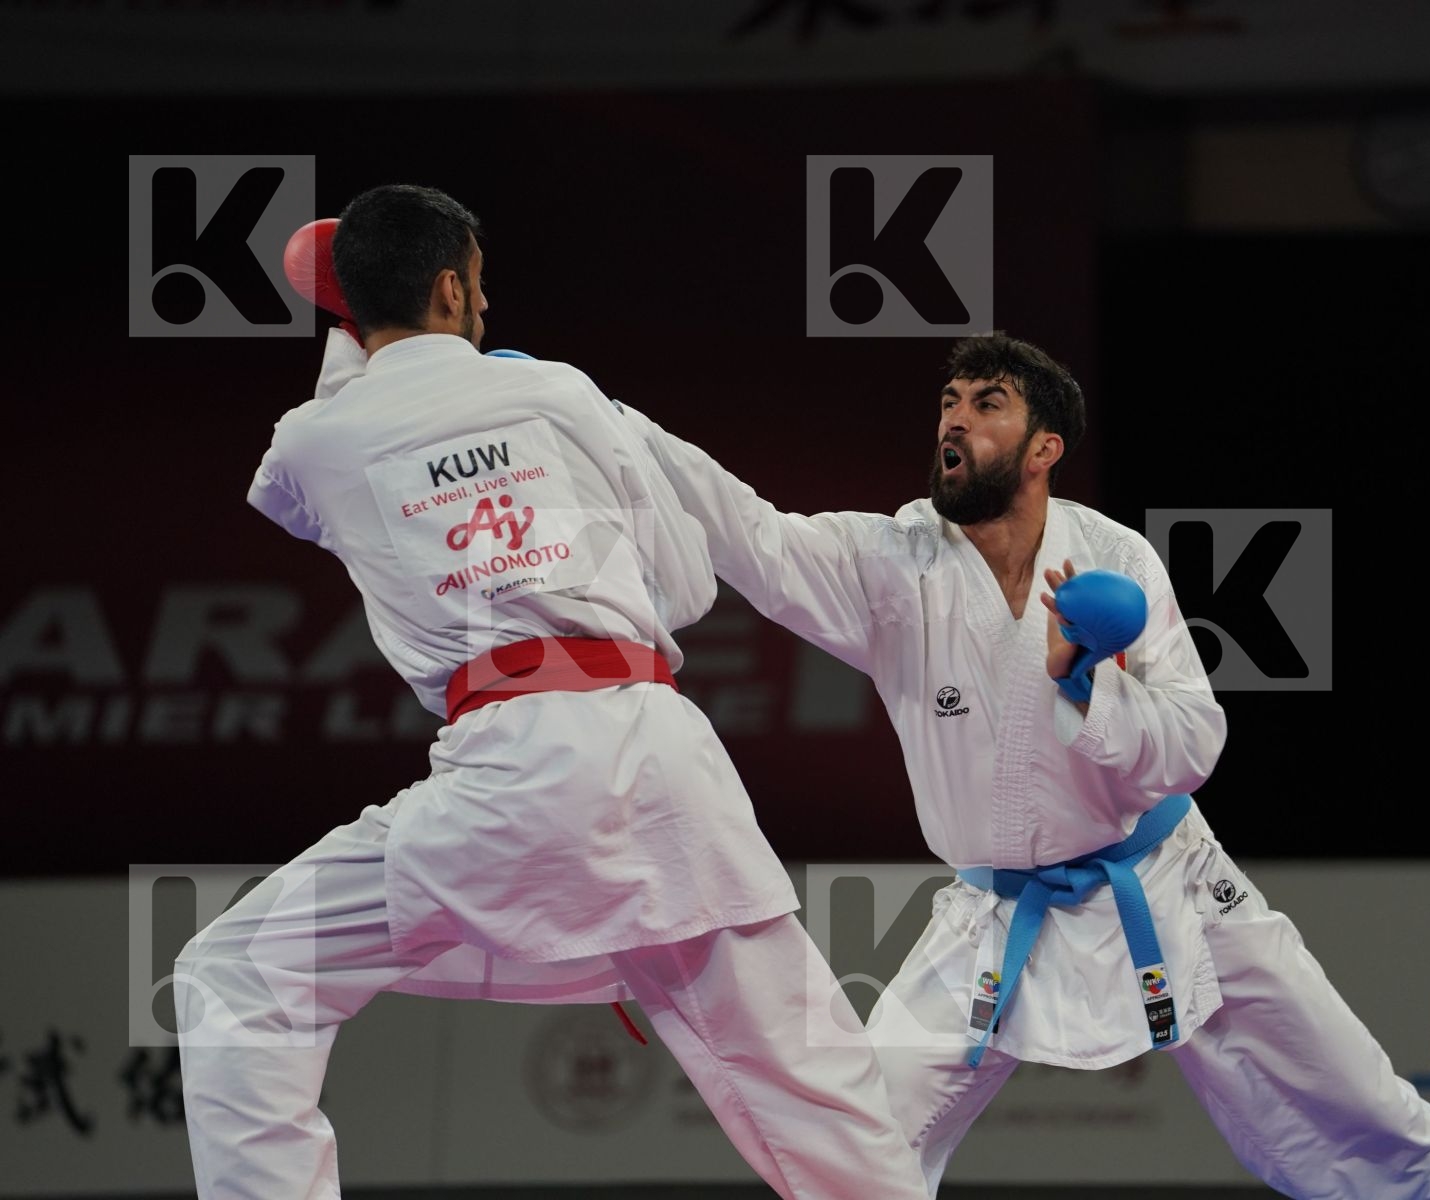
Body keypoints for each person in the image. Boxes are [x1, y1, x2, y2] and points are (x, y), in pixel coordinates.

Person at [174, 185, 929, 1200]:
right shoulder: (562, 394)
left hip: (503, 782)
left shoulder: (317, 440)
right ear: (452, 288)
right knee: (815, 1093)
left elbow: (292, 496)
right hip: (660, 764)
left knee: (236, 979)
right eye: (479, 284)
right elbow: (686, 590)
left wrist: (359, 346)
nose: (487, 305)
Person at [620, 333, 1430, 1198]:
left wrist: (1085, 683)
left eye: (986, 404)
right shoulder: (892, 567)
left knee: (1367, 1116)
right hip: (995, 915)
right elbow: (752, 533)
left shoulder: (1115, 562)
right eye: (949, 403)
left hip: (1170, 885)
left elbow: (1195, 742)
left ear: (1044, 450)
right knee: (859, 1147)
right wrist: (611, 423)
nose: (955, 421)